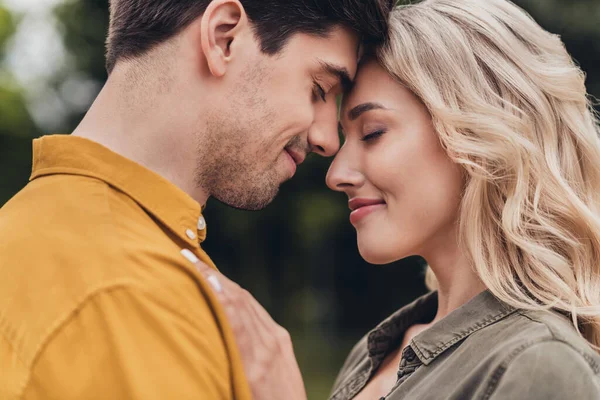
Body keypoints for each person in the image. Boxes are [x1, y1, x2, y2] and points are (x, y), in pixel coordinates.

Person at [196, 0, 600, 399]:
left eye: (372, 133)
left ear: (481, 135)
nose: (336, 175)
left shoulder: (540, 364)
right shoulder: (377, 351)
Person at [0, 0, 393, 399]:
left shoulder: (28, 234)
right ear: (224, 37)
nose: (327, 140)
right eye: (319, 89)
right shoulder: (132, 299)